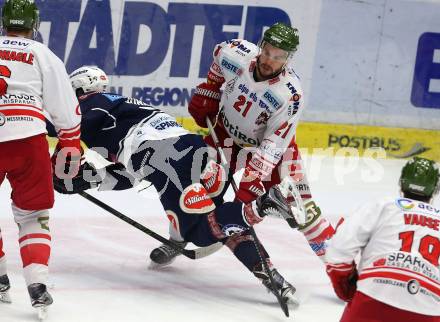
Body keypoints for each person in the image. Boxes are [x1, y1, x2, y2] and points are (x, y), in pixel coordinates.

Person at [51, 65, 300, 307]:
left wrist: (27, 117)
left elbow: (60, 123)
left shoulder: (91, 103)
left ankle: (263, 204)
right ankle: (272, 276)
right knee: (221, 219)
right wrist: (94, 178)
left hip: (165, 161)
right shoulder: (123, 111)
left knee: (202, 233)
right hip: (193, 152)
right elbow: (133, 174)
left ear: (78, 91)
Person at [151, 22, 335, 266]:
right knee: (192, 184)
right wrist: (211, 89)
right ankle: (178, 237)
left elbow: (271, 147)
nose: (270, 60)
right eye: (268, 51)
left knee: (301, 206)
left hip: (271, 151)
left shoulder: (290, 95)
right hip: (224, 135)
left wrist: (246, 195)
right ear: (261, 46)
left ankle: (339, 264)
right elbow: (218, 58)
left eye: (278, 57)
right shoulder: (235, 53)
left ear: (288, 59)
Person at [0, 0, 81, 312]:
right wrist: (70, 142)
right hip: (27, 138)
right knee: (33, 214)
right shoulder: (42, 54)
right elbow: (65, 106)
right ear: (33, 24)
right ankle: (37, 282)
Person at [325, 157, 440, 322]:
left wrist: (345, 286)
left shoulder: (384, 205)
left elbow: (339, 249)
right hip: (428, 309)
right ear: (435, 190)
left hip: (374, 297)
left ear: (401, 183)